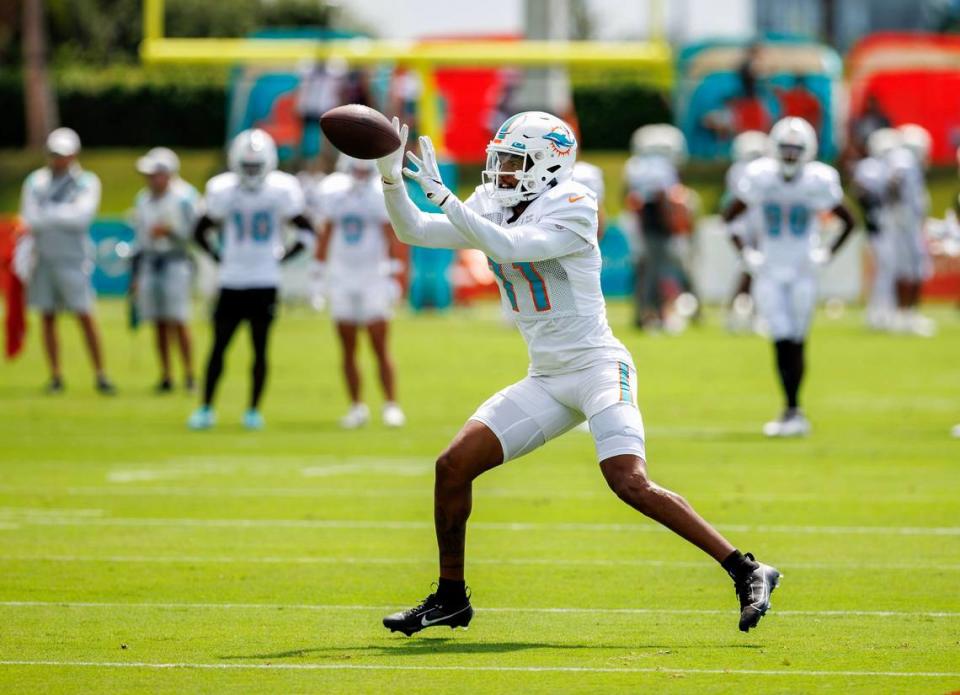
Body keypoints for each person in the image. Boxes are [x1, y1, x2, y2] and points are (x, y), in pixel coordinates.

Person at [375, 111, 780, 636]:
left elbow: (510, 246)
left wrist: (447, 199)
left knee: (628, 481)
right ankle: (451, 597)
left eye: (514, 161)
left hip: (596, 367)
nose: (499, 172)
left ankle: (747, 569)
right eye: (498, 159)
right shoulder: (493, 203)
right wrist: (388, 177)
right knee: (452, 467)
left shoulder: (573, 202)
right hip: (546, 377)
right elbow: (414, 230)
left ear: (548, 165)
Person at [723, 117, 855, 437]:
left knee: (796, 338)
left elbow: (849, 221)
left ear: (808, 151)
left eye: (797, 149)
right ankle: (791, 408)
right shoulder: (759, 175)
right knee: (781, 336)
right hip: (769, 267)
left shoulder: (819, 179)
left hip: (802, 268)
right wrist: (746, 254)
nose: (791, 155)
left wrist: (826, 252)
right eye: (786, 149)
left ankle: (793, 410)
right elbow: (729, 218)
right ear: (774, 149)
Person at [188, 129, 314, 430]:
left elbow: (307, 230)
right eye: (248, 166)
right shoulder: (222, 189)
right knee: (219, 346)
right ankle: (206, 408)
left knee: (259, 348)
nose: (252, 172)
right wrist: (220, 257)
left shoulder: (281, 189)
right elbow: (199, 230)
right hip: (232, 279)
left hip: (263, 280)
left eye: (256, 166)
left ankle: (253, 410)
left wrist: (280, 257)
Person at [19, 127, 115, 394]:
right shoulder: (35, 181)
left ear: (74, 154)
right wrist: (59, 215)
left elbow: (81, 217)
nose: (57, 159)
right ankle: (56, 376)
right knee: (47, 316)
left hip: (73, 259)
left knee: (84, 314)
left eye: (63, 154)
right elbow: (29, 218)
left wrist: (48, 215)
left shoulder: (86, 181)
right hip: (43, 257)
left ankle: (100, 374)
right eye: (53, 154)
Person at [315, 155, 406, 429]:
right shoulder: (333, 191)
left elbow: (392, 234)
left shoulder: (379, 194)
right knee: (347, 347)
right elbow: (326, 233)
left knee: (379, 344)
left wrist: (394, 275)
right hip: (343, 277)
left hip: (372, 277)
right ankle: (356, 407)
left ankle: (391, 404)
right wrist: (317, 275)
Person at [130, 147, 199, 392]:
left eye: (154, 174)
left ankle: (190, 374)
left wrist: (171, 232)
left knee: (179, 319)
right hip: (151, 262)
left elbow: (195, 234)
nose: (150, 179)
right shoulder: (142, 198)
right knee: (157, 321)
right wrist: (136, 273)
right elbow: (140, 237)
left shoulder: (185, 197)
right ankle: (166, 375)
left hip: (176, 262)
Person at [623, 124, 685, 329]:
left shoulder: (634, 165)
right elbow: (662, 199)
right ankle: (652, 314)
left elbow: (628, 197)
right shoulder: (661, 168)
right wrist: (671, 223)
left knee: (644, 271)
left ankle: (645, 313)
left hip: (639, 224)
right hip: (654, 226)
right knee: (655, 272)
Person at [888, 124, 935, 336]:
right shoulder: (904, 160)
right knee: (912, 269)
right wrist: (899, 208)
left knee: (907, 269)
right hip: (906, 222)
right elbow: (895, 183)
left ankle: (904, 314)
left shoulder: (904, 161)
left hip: (906, 221)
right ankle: (907, 315)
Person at [852, 128, 900, 331]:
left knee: (889, 269)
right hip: (877, 224)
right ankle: (877, 311)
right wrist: (873, 207)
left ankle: (885, 308)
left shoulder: (887, 165)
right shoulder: (869, 167)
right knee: (882, 269)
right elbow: (861, 192)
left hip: (890, 222)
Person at [724, 130, 770, 333]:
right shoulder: (743, 171)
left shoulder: (738, 170)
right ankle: (745, 314)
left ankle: (743, 313)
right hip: (747, 226)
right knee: (750, 271)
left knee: (751, 271)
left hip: (748, 225)